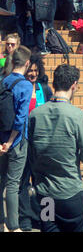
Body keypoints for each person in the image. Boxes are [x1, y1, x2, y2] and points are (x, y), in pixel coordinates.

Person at [28, 64, 83, 232]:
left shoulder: (35, 114)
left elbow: (31, 152)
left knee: (48, 228)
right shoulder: (77, 115)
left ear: (53, 84)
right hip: (70, 194)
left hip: (45, 194)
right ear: (74, 85)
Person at [18, 53, 52, 231]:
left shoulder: (44, 89)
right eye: (30, 70)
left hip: (42, 143)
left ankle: (47, 217)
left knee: (45, 181)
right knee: (23, 181)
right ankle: (25, 218)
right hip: (24, 142)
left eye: (35, 71)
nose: (32, 74)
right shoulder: (21, 88)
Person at [0, 46, 32, 233]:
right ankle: (13, 226)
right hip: (17, 140)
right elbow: (20, 118)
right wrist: (11, 142)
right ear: (27, 63)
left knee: (0, 180)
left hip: (1, 138)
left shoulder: (3, 81)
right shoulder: (26, 85)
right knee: (13, 183)